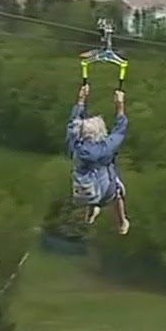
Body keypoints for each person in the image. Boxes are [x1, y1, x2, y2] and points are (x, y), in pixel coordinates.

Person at [65, 83, 130, 235]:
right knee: (118, 193)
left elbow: (72, 123)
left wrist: (81, 100)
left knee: (92, 186)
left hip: (82, 191)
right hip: (106, 191)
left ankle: (91, 212)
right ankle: (122, 223)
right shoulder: (104, 148)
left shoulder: (75, 143)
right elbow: (120, 130)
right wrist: (120, 106)